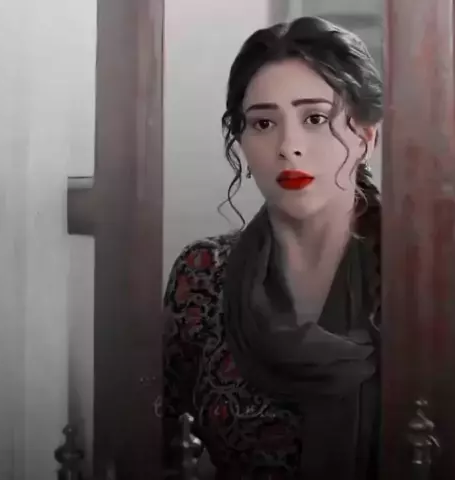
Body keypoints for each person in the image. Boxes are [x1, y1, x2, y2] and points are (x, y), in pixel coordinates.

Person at [162, 16, 383, 480]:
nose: (288, 147)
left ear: (366, 137)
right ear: (241, 141)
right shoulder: (202, 274)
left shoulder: (414, 273)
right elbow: (164, 446)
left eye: (315, 119)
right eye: (264, 123)